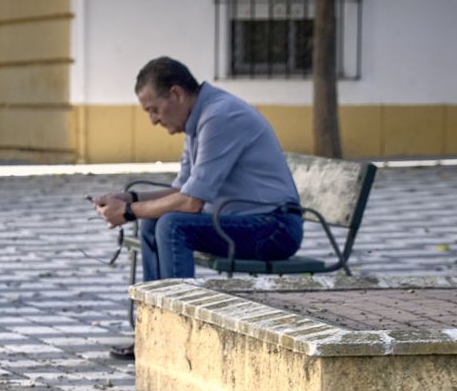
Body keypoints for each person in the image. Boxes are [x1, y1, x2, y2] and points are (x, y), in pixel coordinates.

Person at [92, 57, 302, 359]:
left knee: (172, 225)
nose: (153, 120)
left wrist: (127, 213)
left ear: (176, 94)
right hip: (243, 222)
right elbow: (183, 189)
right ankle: (155, 336)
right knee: (154, 221)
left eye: (154, 110)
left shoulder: (220, 117)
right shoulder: (200, 118)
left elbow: (191, 203)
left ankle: (180, 341)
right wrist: (132, 199)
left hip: (275, 228)